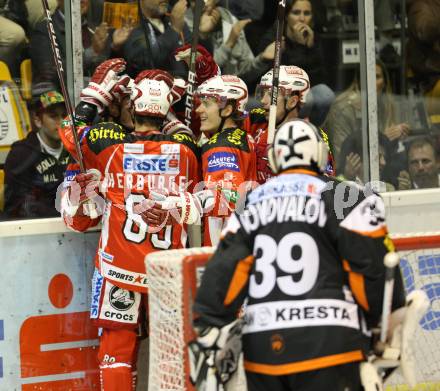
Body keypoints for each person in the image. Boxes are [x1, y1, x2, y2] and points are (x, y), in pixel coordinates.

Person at [192, 119, 406, 391]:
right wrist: (382, 325)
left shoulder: (249, 203)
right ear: (320, 154)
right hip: (331, 345)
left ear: (274, 158)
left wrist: (211, 323)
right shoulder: (346, 197)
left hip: (264, 351)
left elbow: (221, 277)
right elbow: (374, 269)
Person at [59, 59, 200, 391]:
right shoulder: (187, 154)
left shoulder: (111, 150)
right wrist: (171, 103)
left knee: (116, 353)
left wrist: (95, 96)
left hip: (119, 270)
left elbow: (69, 131)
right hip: (166, 273)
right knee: (171, 355)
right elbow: (182, 140)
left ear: (132, 106)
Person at [246, 65, 335, 184]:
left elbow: (324, 184)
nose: (263, 101)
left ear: (292, 101)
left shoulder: (313, 137)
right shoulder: (256, 119)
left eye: (272, 95)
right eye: (263, 93)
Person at [257, 0, 335, 127]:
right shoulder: (274, 38)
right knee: (306, 99)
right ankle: (288, 129)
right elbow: (282, 76)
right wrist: (300, 47)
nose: (302, 18)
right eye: (296, 13)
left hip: (306, 88)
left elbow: (322, 79)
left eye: (307, 13)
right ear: (287, 16)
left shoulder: (314, 38)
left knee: (326, 94)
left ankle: (312, 130)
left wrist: (309, 48)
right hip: (279, 91)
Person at [325, 59, 409, 175]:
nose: (371, 82)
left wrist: (401, 139)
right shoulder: (343, 108)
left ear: (384, 82)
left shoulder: (388, 104)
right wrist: (383, 139)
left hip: (381, 168)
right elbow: (343, 160)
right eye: (367, 77)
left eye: (377, 77)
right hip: (352, 176)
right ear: (359, 81)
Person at [3, 90, 69, 219]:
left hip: (71, 226)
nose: (61, 122)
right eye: (53, 116)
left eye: (64, 115)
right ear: (38, 120)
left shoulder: (74, 150)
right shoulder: (21, 154)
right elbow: (18, 206)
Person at [122, 0, 191, 78]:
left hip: (184, 86)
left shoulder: (173, 18)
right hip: (152, 87)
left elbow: (195, 57)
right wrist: (173, 30)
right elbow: (145, 60)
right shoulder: (131, 22)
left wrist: (203, 36)